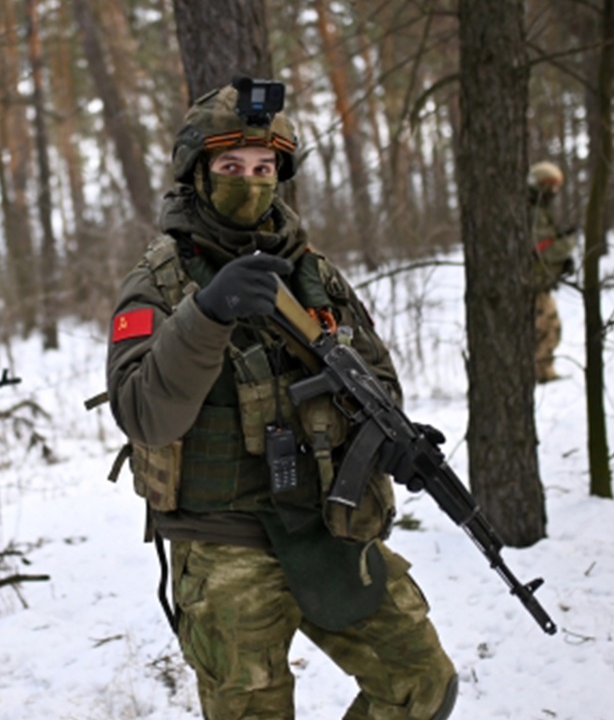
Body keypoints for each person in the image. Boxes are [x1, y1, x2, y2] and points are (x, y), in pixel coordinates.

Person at [104, 79, 457, 720]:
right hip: (225, 542)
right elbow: (144, 415)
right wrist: (207, 315)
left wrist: (389, 443)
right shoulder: (159, 280)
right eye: (231, 168)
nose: (250, 183)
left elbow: (375, 377)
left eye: (264, 169)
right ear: (198, 174)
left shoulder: (311, 271)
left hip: (328, 527)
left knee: (422, 684)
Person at [528, 160, 577, 383]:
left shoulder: (539, 210)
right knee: (546, 329)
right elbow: (542, 248)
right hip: (534, 283)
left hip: (540, 281)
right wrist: (567, 244)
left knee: (549, 328)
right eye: (552, 187)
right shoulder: (534, 212)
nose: (555, 193)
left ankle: (543, 371)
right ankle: (541, 373)